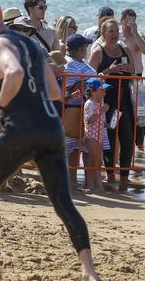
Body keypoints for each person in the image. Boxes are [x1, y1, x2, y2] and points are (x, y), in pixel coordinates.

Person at [0, 0, 99, 280]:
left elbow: (13, 72)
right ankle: (89, 271)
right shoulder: (33, 47)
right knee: (63, 202)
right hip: (51, 127)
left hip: (21, 129)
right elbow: (55, 92)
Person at [88, 18, 137, 189]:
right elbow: (90, 78)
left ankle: (124, 177)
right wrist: (110, 71)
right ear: (103, 33)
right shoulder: (98, 52)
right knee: (108, 138)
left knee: (127, 138)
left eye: (117, 31)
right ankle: (110, 174)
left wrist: (128, 71)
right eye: (111, 31)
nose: (114, 34)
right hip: (106, 103)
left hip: (123, 102)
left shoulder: (125, 50)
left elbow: (134, 71)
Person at [62, 34, 97, 188]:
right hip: (74, 108)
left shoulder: (79, 62)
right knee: (72, 146)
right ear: (77, 49)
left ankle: (74, 180)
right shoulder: (70, 64)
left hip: (82, 107)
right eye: (83, 47)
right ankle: (71, 180)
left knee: (78, 146)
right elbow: (67, 90)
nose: (86, 49)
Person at [120, 8, 145, 150]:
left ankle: (140, 144)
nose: (129, 24)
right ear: (122, 21)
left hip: (137, 77)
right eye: (127, 21)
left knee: (142, 112)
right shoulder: (118, 36)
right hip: (123, 77)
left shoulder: (138, 35)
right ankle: (124, 142)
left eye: (133, 21)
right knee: (125, 111)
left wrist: (135, 32)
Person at [83, 77, 110, 192]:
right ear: (94, 90)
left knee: (97, 161)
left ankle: (92, 185)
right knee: (96, 161)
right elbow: (89, 120)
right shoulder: (90, 103)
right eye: (102, 90)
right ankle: (98, 186)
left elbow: (96, 120)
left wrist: (106, 124)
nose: (104, 92)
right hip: (91, 136)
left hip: (97, 135)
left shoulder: (97, 103)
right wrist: (103, 111)